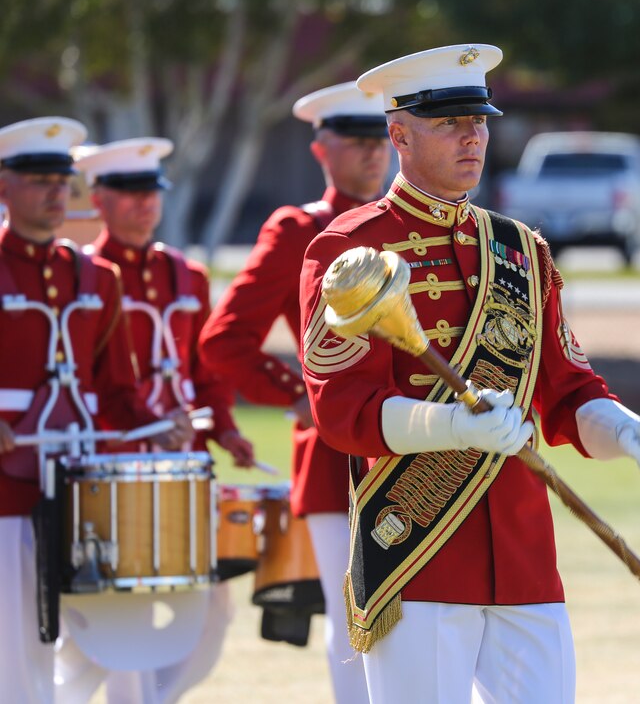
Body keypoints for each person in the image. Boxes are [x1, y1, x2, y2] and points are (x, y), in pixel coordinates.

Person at [298, 44, 640, 704]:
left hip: (524, 554)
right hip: (417, 553)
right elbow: (344, 410)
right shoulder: (351, 251)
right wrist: (450, 423)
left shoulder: (521, 250)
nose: (472, 134)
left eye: (478, 120)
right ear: (399, 134)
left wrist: (624, 428)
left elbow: (566, 392)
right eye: (448, 122)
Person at [199, 81, 391, 702]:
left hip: (433, 453)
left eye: (381, 140)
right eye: (357, 142)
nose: (373, 154)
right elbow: (224, 340)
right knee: (357, 638)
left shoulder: (416, 223)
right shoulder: (301, 230)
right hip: (340, 459)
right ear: (322, 150)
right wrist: (299, 397)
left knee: (441, 622)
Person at [53, 137, 255, 703]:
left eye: (152, 193)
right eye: (129, 193)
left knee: (211, 605)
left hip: (183, 463)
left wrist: (225, 429)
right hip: (113, 460)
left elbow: (206, 367)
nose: (145, 205)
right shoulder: (85, 277)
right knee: (120, 606)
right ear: (99, 200)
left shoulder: (186, 275)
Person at [0, 117, 193, 704]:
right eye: (38, 180)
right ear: (4, 186)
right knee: (16, 649)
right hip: (6, 494)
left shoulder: (95, 277)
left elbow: (117, 390)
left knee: (113, 635)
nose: (57, 193)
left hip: (81, 486)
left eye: (62, 181)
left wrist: (158, 428)